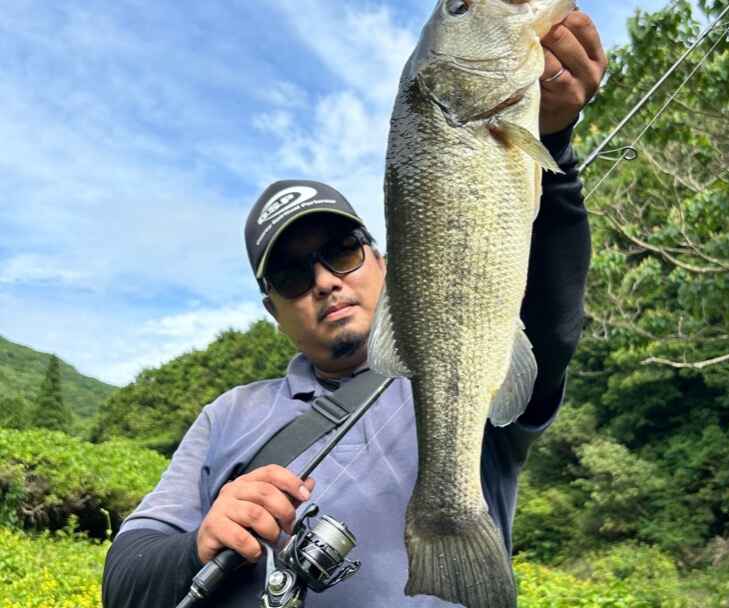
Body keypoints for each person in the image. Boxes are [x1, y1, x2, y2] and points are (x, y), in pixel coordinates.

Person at [102, 10, 607, 608]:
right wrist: (198, 545)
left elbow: (550, 319)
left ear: (384, 261)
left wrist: (554, 145)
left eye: (342, 251)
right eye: (292, 275)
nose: (323, 282)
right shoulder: (226, 417)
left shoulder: (465, 380)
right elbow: (125, 583)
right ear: (272, 309)